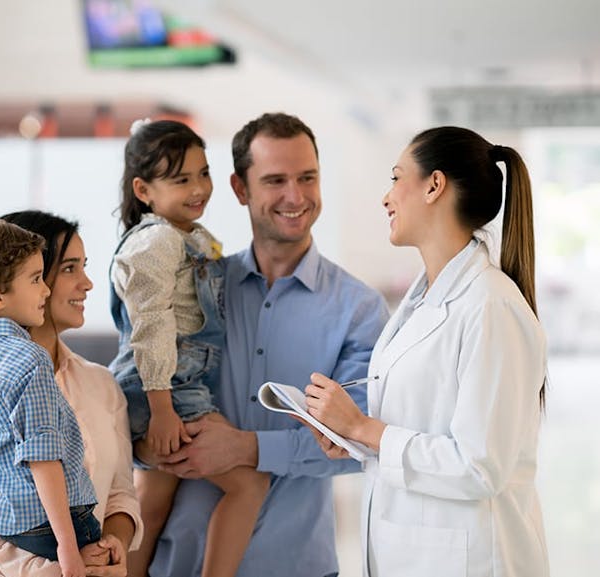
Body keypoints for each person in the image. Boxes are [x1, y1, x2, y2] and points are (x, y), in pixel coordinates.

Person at [145, 112, 390, 577]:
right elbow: (145, 404)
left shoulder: (359, 310)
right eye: (275, 180)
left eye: (307, 178)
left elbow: (360, 445)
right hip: (180, 563)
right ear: (240, 189)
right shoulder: (193, 288)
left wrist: (247, 448)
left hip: (298, 565)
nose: (295, 197)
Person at [302, 126, 549, 577]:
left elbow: (479, 465)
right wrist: (355, 440)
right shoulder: (424, 299)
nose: (386, 197)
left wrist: (364, 427)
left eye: (397, 178)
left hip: (471, 559)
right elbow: (420, 425)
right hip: (412, 552)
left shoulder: (490, 305)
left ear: (434, 186)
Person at [0, 211, 141, 577]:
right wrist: (55, 567)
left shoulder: (102, 384)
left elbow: (120, 494)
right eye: (69, 268)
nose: (86, 283)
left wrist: (112, 545)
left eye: (85, 267)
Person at [109, 119, 270, 577]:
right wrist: (163, 409)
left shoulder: (187, 236)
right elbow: (152, 325)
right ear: (144, 189)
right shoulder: (156, 240)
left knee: (151, 505)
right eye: (181, 179)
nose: (199, 188)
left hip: (169, 390)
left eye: (203, 173)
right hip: (169, 392)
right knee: (250, 484)